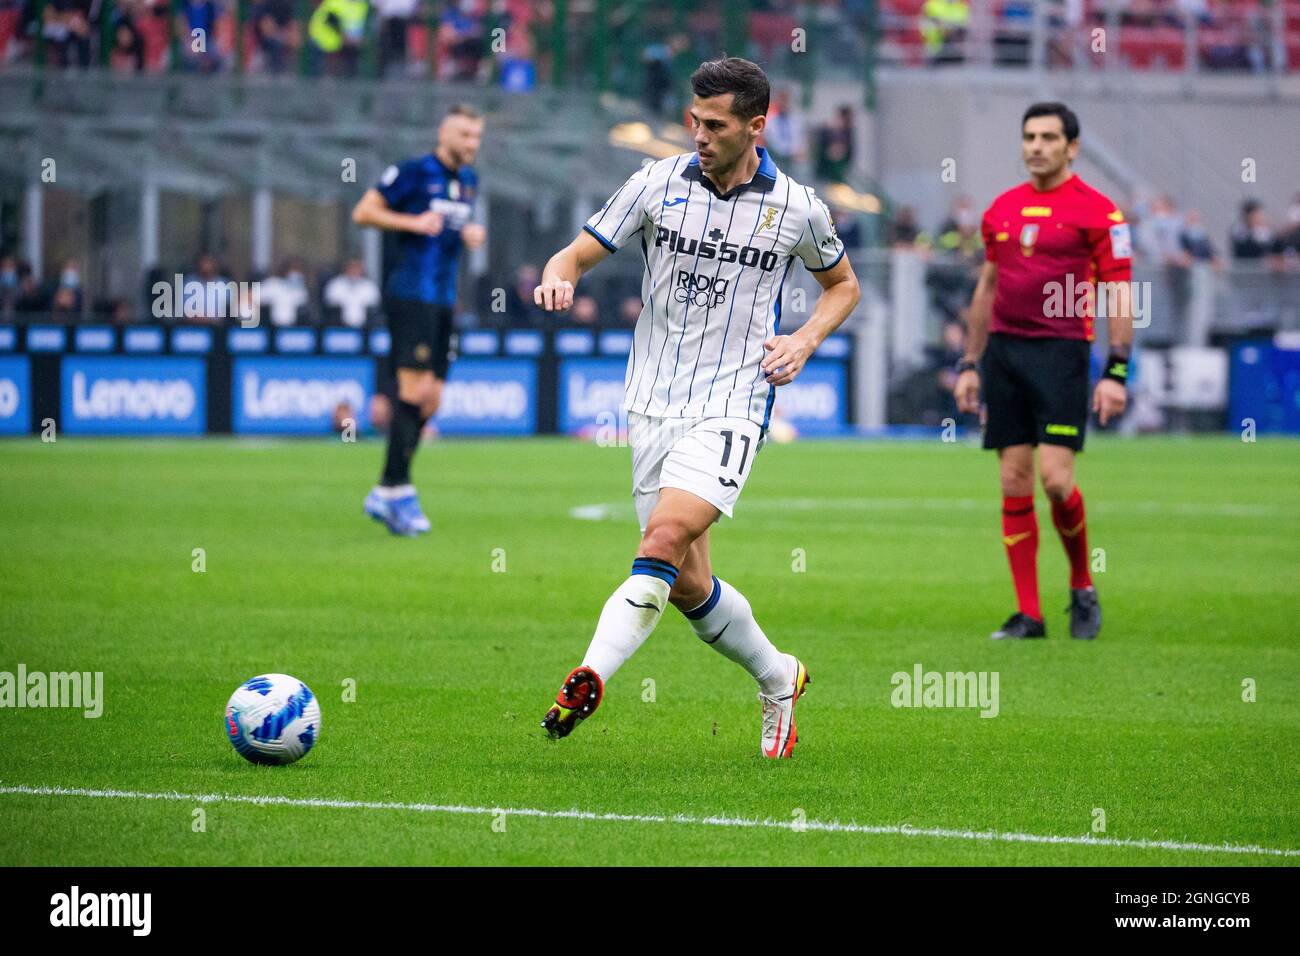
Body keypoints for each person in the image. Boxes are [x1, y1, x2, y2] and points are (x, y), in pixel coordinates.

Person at [532, 57, 860, 758]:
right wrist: (557, 278)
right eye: (694, 120)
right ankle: (779, 677)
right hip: (651, 401)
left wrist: (803, 341)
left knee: (659, 542)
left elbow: (843, 287)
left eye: (715, 125)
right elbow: (573, 256)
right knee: (685, 581)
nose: (699, 134)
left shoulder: (797, 206)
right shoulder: (655, 182)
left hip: (736, 399)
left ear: (756, 126)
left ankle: (590, 674)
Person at [953, 102, 1134, 641]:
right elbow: (986, 287)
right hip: (1005, 353)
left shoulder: (1100, 213)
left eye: (1049, 137)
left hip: (1062, 355)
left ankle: (1081, 583)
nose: (1036, 146)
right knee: (1012, 478)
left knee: (1055, 481)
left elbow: (1119, 291)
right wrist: (969, 362)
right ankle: (1029, 614)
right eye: (1029, 136)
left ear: (1071, 147)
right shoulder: (1002, 210)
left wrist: (1117, 370)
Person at [351, 104, 487, 536]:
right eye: (464, 135)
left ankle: (390, 490)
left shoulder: (469, 181)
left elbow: (449, 229)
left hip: (445, 300)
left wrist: (467, 234)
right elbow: (364, 212)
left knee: (430, 400)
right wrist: (412, 221)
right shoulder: (412, 171)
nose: (471, 144)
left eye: (476, 137)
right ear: (443, 133)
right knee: (411, 390)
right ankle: (395, 489)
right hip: (410, 295)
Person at [323, 258, 381, 327]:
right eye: (352, 267)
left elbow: (374, 303)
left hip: (366, 327)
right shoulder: (336, 284)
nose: (354, 271)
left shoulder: (369, 286)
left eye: (357, 268)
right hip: (338, 326)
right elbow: (330, 302)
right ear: (346, 269)